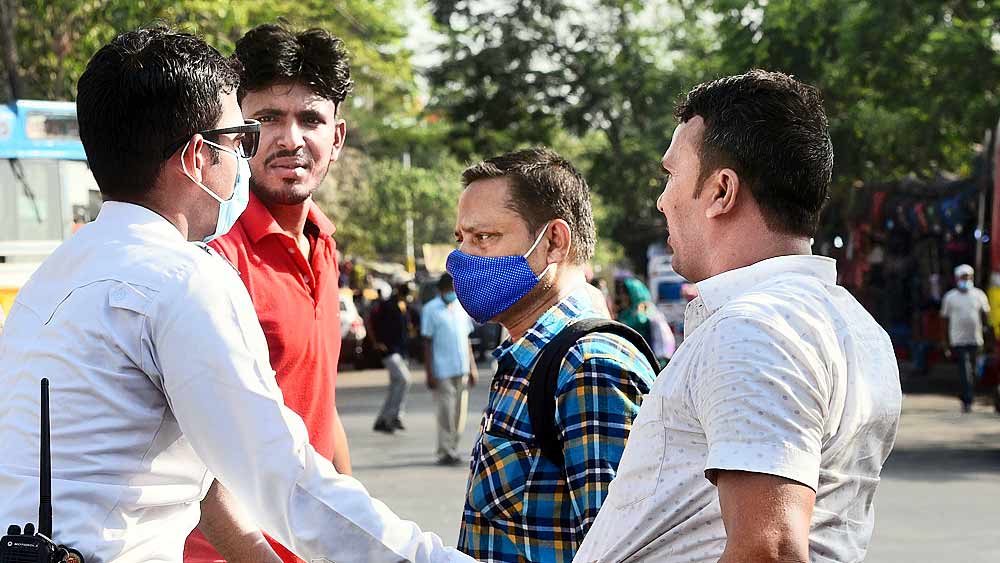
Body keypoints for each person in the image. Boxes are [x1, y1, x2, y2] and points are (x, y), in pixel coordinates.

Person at [0, 26, 472, 563]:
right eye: (241, 137)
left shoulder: (56, 274)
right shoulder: (183, 278)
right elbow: (283, 479)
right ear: (200, 157)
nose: (252, 155)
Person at [574, 70, 903, 563]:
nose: (663, 201)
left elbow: (768, 549)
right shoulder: (851, 324)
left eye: (671, 176)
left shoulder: (756, 328)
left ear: (721, 191)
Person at [182, 23, 355, 563]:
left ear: (338, 138)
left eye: (310, 119)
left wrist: (351, 527)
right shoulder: (212, 258)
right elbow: (198, 461)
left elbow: (320, 409)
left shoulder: (323, 244)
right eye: (266, 120)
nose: (290, 139)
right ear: (236, 134)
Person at [449, 148, 658, 562]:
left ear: (554, 242)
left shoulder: (590, 366)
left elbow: (620, 552)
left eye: (484, 238)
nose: (461, 259)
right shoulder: (525, 352)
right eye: (461, 239)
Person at [420, 273, 477, 465]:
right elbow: (426, 342)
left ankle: (453, 447)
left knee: (460, 412)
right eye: (449, 290)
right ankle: (444, 450)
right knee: (446, 411)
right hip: (442, 369)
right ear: (441, 291)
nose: (452, 293)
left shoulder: (461, 308)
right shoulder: (431, 310)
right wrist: (429, 372)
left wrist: (473, 367)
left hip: (461, 368)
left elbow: (467, 339)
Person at [940, 263, 991, 413]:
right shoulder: (950, 297)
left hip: (976, 339)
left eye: (968, 277)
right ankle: (968, 400)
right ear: (957, 279)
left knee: (973, 371)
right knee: (965, 369)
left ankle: (966, 394)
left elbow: (986, 316)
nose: (966, 280)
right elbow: (944, 320)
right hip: (958, 340)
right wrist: (945, 341)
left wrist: (989, 337)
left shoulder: (979, 295)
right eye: (963, 277)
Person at [371, 282, 415, 434]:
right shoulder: (388, 305)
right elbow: (372, 322)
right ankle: (392, 416)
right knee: (404, 379)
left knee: (396, 386)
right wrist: (377, 342)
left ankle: (385, 419)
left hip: (402, 351)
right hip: (389, 351)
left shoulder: (405, 306)